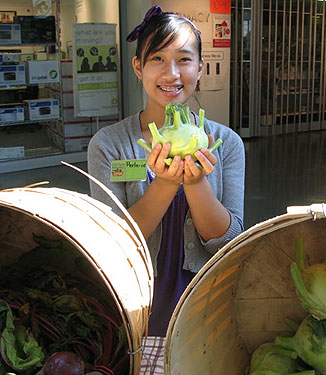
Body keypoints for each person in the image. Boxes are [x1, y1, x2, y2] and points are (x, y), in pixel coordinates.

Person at [87, 4, 245, 366]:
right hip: (136, 301)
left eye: (184, 59)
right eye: (157, 58)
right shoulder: (109, 145)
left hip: (204, 296)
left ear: (200, 68)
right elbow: (112, 242)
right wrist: (164, 183)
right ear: (138, 67)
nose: (171, 73)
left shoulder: (228, 143)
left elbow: (229, 241)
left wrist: (196, 182)